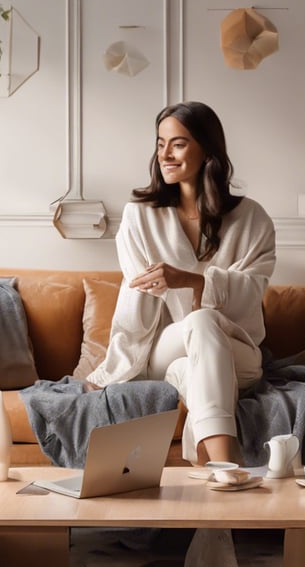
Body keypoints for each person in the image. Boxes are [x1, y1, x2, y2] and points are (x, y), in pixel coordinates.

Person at [85, 101, 276, 465]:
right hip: (166, 347)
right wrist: (114, 369)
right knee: (199, 323)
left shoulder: (252, 219)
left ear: (207, 150)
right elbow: (138, 298)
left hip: (237, 353)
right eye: (160, 144)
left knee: (188, 369)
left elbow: (251, 294)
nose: (165, 155)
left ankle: (212, 460)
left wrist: (193, 281)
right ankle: (226, 464)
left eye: (178, 144)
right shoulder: (139, 217)